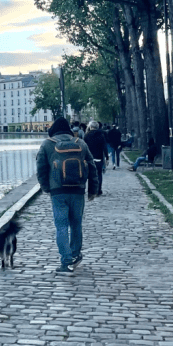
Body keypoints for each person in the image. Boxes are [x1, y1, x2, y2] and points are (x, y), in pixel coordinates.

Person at [36, 116, 99, 274]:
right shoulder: (81, 143)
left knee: (61, 226)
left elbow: (41, 170)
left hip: (58, 191)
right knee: (76, 224)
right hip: (78, 190)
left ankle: (66, 261)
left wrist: (46, 188)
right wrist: (92, 190)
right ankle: (76, 254)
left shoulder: (47, 145)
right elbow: (92, 168)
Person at [83, 120, 109, 196]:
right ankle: (98, 190)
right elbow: (104, 147)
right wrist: (107, 157)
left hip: (89, 159)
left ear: (90, 127)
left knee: (90, 175)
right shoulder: (101, 135)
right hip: (99, 158)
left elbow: (84, 148)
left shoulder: (86, 135)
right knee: (99, 174)